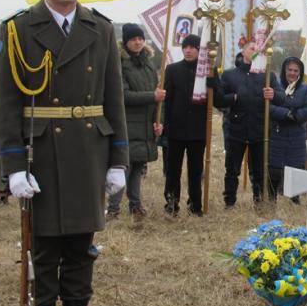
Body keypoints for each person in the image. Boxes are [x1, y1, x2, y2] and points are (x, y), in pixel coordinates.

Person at [0, 0, 128, 306]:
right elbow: (7, 104)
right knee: (46, 250)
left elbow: (113, 97)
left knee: (80, 251)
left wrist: (119, 158)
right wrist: (14, 166)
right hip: (43, 155)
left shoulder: (101, 29)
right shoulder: (18, 30)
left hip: (88, 152)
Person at [213, 41, 285, 206]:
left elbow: (281, 98)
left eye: (258, 49)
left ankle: (259, 201)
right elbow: (218, 100)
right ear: (243, 52)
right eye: (252, 48)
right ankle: (229, 202)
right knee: (232, 170)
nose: (255, 51)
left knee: (259, 170)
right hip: (235, 130)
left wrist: (273, 94)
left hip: (260, 129)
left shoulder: (268, 75)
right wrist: (233, 98)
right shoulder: (230, 74)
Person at [107, 23, 164, 222]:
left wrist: (159, 121)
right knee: (124, 167)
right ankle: (113, 208)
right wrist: (152, 96)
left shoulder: (148, 64)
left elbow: (158, 97)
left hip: (146, 124)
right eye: (133, 39)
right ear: (126, 42)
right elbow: (123, 95)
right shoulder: (120, 64)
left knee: (138, 167)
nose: (138, 42)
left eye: (140, 39)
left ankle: (135, 204)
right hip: (127, 123)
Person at [163, 34, 206, 216]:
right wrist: (164, 124)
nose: (188, 50)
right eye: (185, 47)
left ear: (199, 50)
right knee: (173, 170)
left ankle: (195, 205)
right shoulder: (172, 70)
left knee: (195, 171)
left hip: (198, 130)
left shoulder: (206, 70)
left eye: (192, 47)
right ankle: (172, 204)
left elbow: (217, 98)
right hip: (176, 129)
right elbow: (167, 100)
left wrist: (212, 82)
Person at [268, 57, 307, 200]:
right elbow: (269, 107)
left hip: (296, 133)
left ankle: (294, 198)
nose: (292, 73)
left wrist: (295, 115)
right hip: (278, 132)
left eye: (296, 70)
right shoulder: (276, 86)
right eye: (290, 70)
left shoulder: (304, 89)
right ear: (284, 70)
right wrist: (286, 113)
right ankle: (272, 197)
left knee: (295, 167)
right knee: (275, 168)